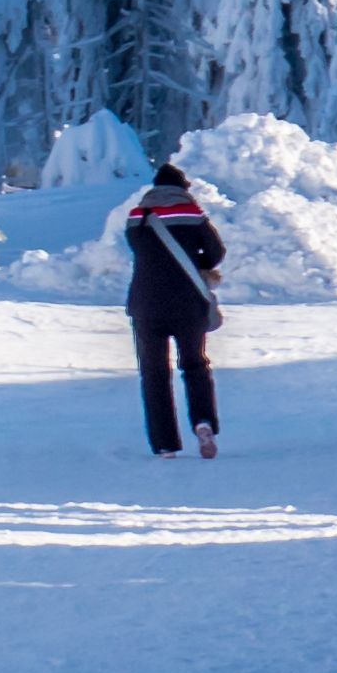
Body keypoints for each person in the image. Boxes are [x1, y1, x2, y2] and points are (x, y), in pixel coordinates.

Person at [122, 152, 229, 463]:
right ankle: (203, 423)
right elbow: (216, 252)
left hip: (145, 303)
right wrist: (200, 265)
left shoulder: (137, 216)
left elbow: (140, 251)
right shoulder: (192, 213)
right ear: (183, 188)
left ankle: (165, 444)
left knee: (154, 373)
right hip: (187, 301)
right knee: (194, 364)